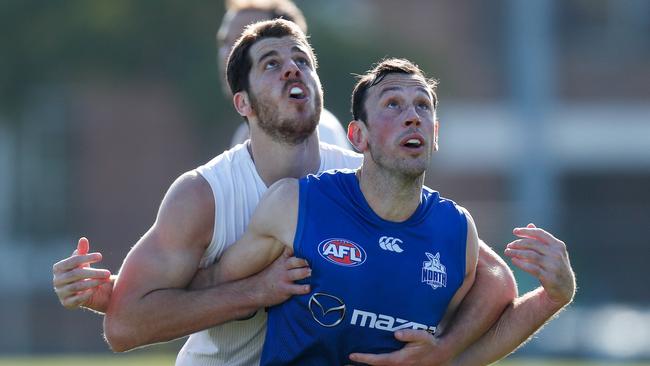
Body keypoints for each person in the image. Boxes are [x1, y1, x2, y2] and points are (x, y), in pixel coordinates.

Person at [50, 19, 562, 366]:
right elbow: (127, 325)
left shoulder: (361, 174)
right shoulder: (203, 194)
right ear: (242, 103)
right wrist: (254, 290)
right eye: (271, 64)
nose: (293, 68)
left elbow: (488, 275)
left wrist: (444, 350)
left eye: (302, 60)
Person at [205, 57, 480, 364]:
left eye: (422, 106)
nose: (413, 117)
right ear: (358, 136)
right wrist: (258, 290)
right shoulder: (294, 205)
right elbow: (217, 283)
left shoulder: (458, 232)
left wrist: (547, 296)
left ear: (435, 134)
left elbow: (492, 305)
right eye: (392, 104)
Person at [218, 0, 350, 148]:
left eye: (243, 41)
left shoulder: (317, 131)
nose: (228, 55)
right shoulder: (243, 135)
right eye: (224, 42)